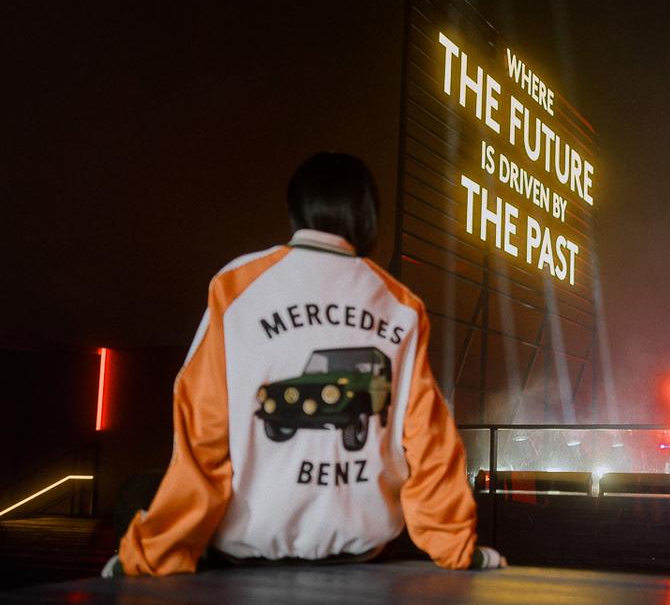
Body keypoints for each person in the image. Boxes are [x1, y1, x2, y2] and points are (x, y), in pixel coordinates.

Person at [103, 152, 505, 576]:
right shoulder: (400, 306)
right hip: (362, 556)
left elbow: (202, 431)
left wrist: (157, 551)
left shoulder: (238, 286)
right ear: (367, 217)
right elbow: (430, 440)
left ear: (294, 210)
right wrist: (457, 547)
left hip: (245, 556)